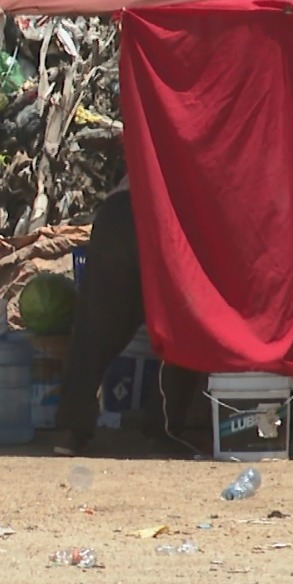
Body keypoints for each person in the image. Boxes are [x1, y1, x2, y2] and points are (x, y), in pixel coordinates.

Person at [53, 177, 202, 457]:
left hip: (117, 212)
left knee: (94, 327)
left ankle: (70, 429)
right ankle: (163, 428)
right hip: (166, 212)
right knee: (183, 321)